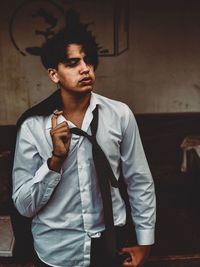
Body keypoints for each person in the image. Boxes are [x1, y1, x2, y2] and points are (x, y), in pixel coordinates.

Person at [12, 22, 156, 267]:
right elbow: (24, 206)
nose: (85, 69)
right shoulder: (33, 126)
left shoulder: (119, 115)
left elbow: (139, 180)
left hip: (113, 243)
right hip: (57, 250)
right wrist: (55, 161)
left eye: (88, 61)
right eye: (72, 63)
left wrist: (145, 243)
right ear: (53, 74)